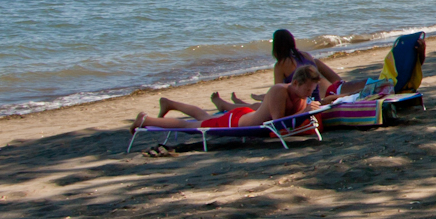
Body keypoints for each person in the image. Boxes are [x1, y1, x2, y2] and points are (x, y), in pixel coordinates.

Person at [133, 66, 326, 132]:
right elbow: (278, 125)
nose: (310, 93)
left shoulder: (301, 97)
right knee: (193, 125)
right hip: (236, 121)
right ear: (296, 83)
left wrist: (310, 108)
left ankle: (171, 103)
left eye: (313, 89)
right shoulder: (279, 91)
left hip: (246, 115)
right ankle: (146, 120)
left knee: (202, 118)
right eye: (308, 88)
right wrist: (306, 111)